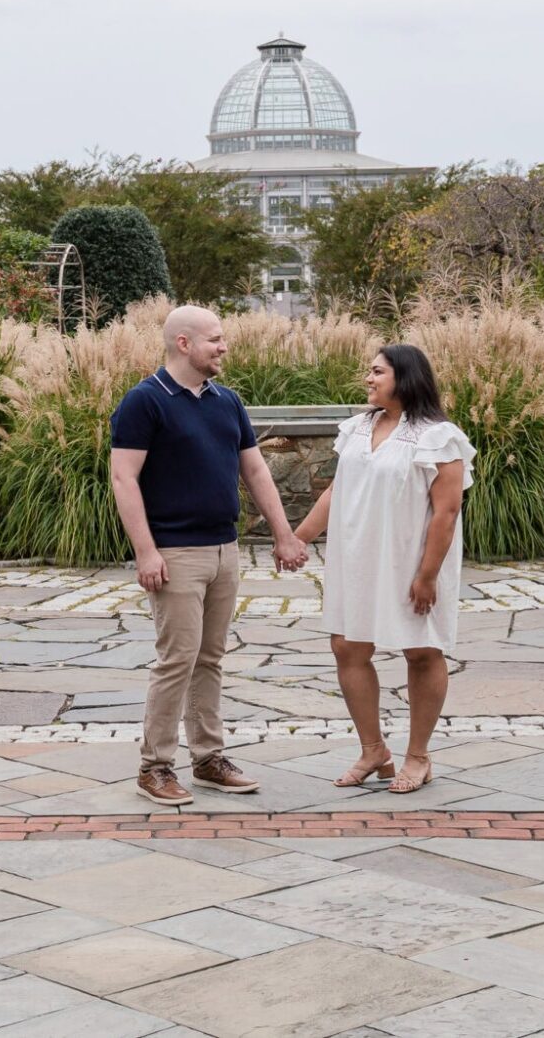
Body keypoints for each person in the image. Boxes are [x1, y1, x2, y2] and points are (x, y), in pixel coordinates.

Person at [109, 304, 309, 807]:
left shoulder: (228, 402)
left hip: (225, 550)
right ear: (184, 344)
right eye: (215, 340)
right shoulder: (144, 401)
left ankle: (208, 758)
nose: (223, 347)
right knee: (176, 660)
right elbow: (123, 478)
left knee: (211, 659)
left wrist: (285, 535)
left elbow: (256, 472)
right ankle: (154, 767)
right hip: (175, 553)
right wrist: (146, 551)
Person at [293, 343, 473, 795]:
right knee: (347, 648)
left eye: (377, 372)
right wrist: (297, 537)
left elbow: (446, 513)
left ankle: (418, 756)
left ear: (405, 377)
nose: (368, 379)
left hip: (412, 560)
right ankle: (374, 750)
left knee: (421, 651)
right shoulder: (356, 428)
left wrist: (427, 575)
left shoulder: (440, 436)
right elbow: (338, 490)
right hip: (357, 554)